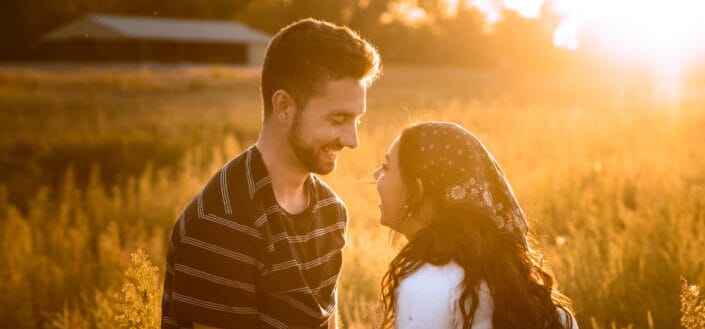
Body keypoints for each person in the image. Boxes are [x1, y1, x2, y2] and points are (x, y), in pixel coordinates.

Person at [161, 18, 380, 329]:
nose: (352, 140)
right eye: (338, 119)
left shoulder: (331, 211)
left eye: (357, 120)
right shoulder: (223, 221)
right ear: (284, 107)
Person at [373, 122, 578, 329]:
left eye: (386, 167)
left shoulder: (424, 287)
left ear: (417, 190)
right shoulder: (540, 299)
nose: (375, 175)